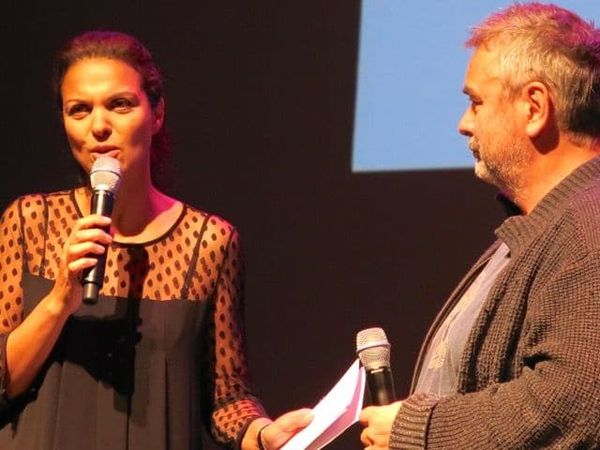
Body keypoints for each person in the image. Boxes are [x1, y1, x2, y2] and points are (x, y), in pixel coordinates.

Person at [0, 30, 311, 450]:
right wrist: (59, 299)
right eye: (79, 110)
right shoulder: (29, 222)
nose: (99, 126)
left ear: (157, 112)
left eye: (119, 104)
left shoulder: (209, 242)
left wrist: (261, 434)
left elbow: (226, 396)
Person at [359, 3, 600, 449]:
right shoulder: (548, 228)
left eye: (476, 102)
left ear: (534, 107)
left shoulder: (589, 228)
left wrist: (420, 429)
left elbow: (578, 400)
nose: (463, 124)